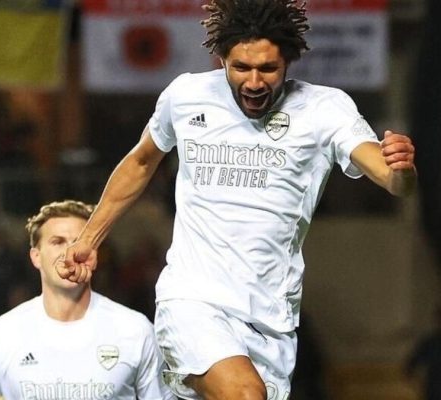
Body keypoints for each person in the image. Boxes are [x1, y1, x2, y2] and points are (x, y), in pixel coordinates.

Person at [60, 1, 417, 399]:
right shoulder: (187, 95)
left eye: (268, 68)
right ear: (222, 60)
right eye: (241, 67)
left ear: (288, 62)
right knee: (246, 395)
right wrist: (89, 239)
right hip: (193, 301)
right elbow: (141, 162)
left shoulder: (324, 109)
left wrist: (400, 168)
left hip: (271, 319)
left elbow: (391, 178)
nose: (254, 82)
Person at [0, 200, 175, 400]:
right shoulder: (0, 335)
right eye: (57, 242)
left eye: (79, 242)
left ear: (94, 255)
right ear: (36, 256)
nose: (70, 252)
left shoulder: (136, 331)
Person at [404, 307, 441, 400]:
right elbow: (412, 362)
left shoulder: (429, 341)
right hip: (434, 388)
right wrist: (414, 378)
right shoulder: (429, 342)